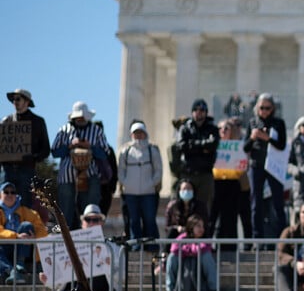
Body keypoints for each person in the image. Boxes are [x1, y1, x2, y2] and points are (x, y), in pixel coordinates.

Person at [39, 204, 122, 291]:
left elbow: (121, 277)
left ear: (101, 223)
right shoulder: (69, 244)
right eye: (88, 219)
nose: (91, 223)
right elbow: (58, 280)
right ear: (82, 223)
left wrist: (109, 266)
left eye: (96, 220)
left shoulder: (112, 247)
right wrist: (47, 279)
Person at [50, 101, 110, 229]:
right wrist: (70, 146)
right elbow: (54, 151)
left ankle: (90, 236)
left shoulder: (96, 130)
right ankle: (67, 239)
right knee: (66, 209)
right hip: (67, 176)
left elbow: (105, 153)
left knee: (89, 209)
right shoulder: (64, 130)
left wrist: (91, 147)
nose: (80, 120)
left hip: (90, 175)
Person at [243, 93, 288, 239]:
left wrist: (268, 138)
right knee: (256, 203)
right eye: (261, 108)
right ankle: (257, 238)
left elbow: (282, 145)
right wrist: (252, 137)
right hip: (257, 166)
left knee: (278, 203)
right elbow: (245, 148)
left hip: (274, 165)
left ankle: (282, 238)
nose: (264, 111)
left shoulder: (279, 123)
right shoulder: (252, 123)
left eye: (267, 108)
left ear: (272, 108)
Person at [1, 88, 51, 208]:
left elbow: (45, 149)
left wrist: (33, 158)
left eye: (18, 99)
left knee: (25, 204)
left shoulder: (37, 122)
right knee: (4, 202)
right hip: (7, 170)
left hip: (26, 170)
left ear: (27, 102)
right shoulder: (5, 122)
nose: (15, 102)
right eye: (13, 99)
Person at [117, 121, 162, 251]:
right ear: (132, 134)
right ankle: (135, 246)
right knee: (133, 221)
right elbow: (121, 170)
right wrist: (126, 183)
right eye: (136, 133)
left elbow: (158, 170)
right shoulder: (125, 150)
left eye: (141, 132)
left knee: (149, 220)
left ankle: (151, 245)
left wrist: (152, 183)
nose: (138, 135)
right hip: (130, 193)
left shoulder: (152, 149)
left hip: (148, 193)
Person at [209, 117, 251, 253]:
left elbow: (243, 166)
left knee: (230, 217)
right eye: (220, 128)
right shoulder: (212, 144)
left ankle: (229, 247)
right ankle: (209, 245)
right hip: (216, 182)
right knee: (212, 216)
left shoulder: (238, 146)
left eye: (226, 128)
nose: (223, 131)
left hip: (232, 183)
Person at [172, 98, 219, 213]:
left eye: (202, 110)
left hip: (205, 174)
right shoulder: (185, 128)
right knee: (185, 207)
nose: (199, 112)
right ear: (192, 112)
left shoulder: (212, 128)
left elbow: (213, 145)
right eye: (196, 110)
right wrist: (203, 145)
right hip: (188, 173)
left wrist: (192, 145)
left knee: (204, 209)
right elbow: (181, 146)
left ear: (206, 112)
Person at [0, 181, 48, 283]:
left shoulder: (27, 211)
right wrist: (16, 236)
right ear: (0, 194)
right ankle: (13, 271)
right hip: (4, 248)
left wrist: (33, 238)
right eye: (6, 192)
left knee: (26, 225)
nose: (9, 194)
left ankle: (20, 263)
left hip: (23, 248)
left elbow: (41, 229)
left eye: (12, 192)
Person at [166, 214, 217, 291]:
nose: (201, 229)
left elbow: (203, 248)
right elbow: (174, 249)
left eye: (202, 226)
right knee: (172, 257)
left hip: (199, 266)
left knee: (206, 256)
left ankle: (213, 289)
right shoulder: (182, 237)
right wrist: (191, 249)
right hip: (184, 264)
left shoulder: (205, 238)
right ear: (191, 227)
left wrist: (187, 249)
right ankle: (170, 289)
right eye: (198, 226)